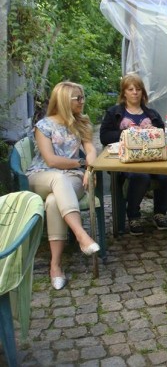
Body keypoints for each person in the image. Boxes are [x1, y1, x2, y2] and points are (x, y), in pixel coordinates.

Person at [26, 82, 100, 290]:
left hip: (72, 178)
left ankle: (55, 266)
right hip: (41, 176)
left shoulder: (81, 123)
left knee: (53, 201)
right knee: (58, 178)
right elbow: (51, 161)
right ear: (64, 100)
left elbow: (91, 150)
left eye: (83, 97)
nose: (82, 101)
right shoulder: (43, 126)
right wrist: (81, 163)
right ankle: (81, 235)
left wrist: (89, 168)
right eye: (78, 98)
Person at [100, 73, 167, 235]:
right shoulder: (114, 113)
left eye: (138, 89)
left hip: (153, 160)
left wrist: (154, 131)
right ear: (124, 93)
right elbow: (104, 137)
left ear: (143, 92)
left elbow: (163, 136)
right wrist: (125, 133)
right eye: (130, 89)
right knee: (140, 176)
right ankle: (133, 216)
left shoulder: (152, 114)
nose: (135, 92)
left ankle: (160, 214)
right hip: (127, 162)